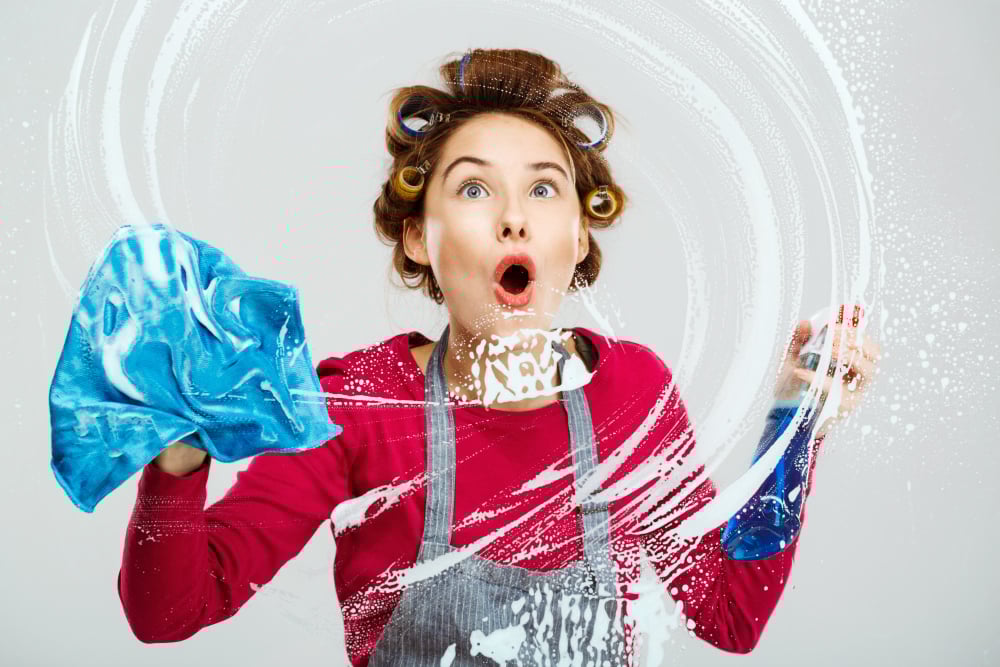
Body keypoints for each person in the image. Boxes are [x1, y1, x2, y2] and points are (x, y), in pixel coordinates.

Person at [117, 48, 878, 665]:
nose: (514, 216)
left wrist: (794, 429)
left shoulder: (632, 396)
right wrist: (181, 453)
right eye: (475, 189)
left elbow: (727, 613)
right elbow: (173, 612)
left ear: (577, 237)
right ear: (420, 236)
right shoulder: (358, 404)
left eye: (544, 190)